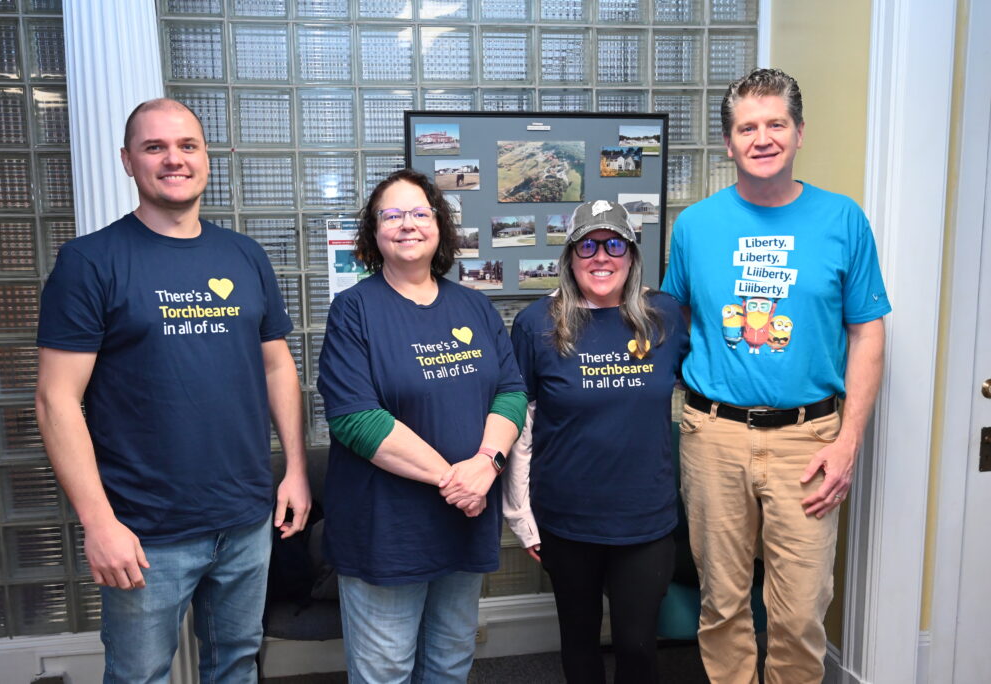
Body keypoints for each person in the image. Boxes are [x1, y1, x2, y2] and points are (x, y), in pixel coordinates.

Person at [34, 99, 310, 683]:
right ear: (128, 161)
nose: (174, 159)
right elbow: (56, 399)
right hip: (143, 528)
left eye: (187, 145)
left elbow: (277, 368)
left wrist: (295, 469)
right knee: (140, 676)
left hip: (244, 518)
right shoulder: (89, 262)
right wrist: (98, 522)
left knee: (235, 665)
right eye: (154, 147)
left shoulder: (244, 255)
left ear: (206, 157)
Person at [660, 68, 890, 683]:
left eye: (775, 124)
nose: (762, 138)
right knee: (723, 602)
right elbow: (672, 318)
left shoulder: (843, 220)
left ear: (798, 133)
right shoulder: (695, 226)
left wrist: (848, 442)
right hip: (714, 436)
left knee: (800, 611)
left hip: (809, 442)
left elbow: (868, 331)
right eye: (747, 127)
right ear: (729, 143)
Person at [316, 168, 527, 683]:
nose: (407, 224)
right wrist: (458, 482)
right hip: (387, 530)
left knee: (450, 662)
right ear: (373, 231)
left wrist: (487, 464)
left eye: (419, 212)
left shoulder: (475, 306)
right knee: (385, 669)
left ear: (439, 226)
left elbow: (512, 392)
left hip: (463, 525)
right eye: (392, 214)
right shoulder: (354, 311)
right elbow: (355, 419)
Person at [504, 199, 689, 684]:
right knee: (579, 642)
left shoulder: (664, 317)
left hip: (644, 519)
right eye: (587, 245)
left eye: (614, 244)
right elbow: (517, 423)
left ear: (632, 255)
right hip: (567, 518)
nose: (600, 257)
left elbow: (709, 385)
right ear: (569, 257)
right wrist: (520, 514)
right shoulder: (536, 324)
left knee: (636, 646)